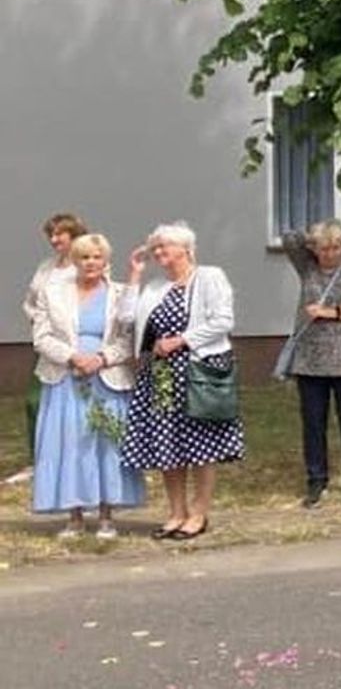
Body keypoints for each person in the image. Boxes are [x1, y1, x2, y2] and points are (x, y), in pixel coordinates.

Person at [119, 222, 244, 541]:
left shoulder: (209, 277)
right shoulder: (155, 287)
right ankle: (176, 512)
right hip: (161, 374)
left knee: (201, 444)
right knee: (167, 441)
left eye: (164, 245)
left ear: (185, 248)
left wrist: (181, 340)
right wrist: (134, 275)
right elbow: (126, 319)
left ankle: (199, 513)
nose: (158, 251)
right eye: (155, 247)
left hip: (198, 370)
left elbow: (223, 321)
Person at [30, 234, 143, 538]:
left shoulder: (120, 294)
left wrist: (101, 359)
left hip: (107, 378)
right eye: (84, 257)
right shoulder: (52, 292)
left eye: (97, 257)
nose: (91, 263)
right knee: (70, 443)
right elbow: (41, 337)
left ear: (106, 261)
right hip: (65, 377)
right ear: (75, 261)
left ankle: (106, 517)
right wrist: (72, 357)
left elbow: (128, 338)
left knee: (107, 445)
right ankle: (75, 516)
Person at [280, 219, 341, 508]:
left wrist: (330, 312)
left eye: (336, 247)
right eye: (324, 248)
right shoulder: (308, 266)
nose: (330, 254)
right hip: (311, 359)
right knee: (313, 423)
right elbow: (289, 239)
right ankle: (316, 479)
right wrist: (313, 236)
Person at [17, 212, 88, 479]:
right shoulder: (47, 267)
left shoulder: (86, 265)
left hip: (77, 345)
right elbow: (30, 301)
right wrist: (38, 319)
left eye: (60, 234)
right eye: (51, 235)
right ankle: (38, 460)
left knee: (76, 406)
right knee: (35, 402)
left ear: (74, 235)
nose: (54, 239)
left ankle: (77, 461)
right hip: (47, 344)